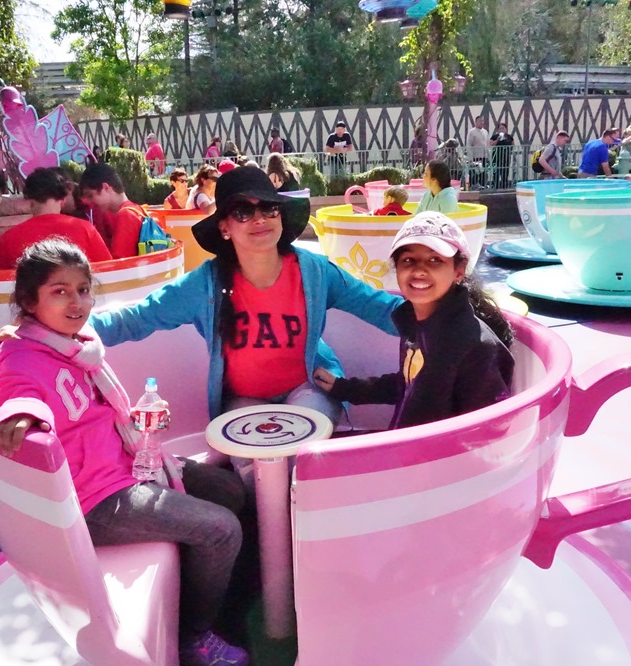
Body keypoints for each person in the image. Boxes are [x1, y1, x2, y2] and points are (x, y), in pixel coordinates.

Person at [0, 238, 250, 666]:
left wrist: (140, 421)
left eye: (83, 289)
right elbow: (18, 394)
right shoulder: (20, 358)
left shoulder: (77, 344)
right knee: (221, 529)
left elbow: (97, 413)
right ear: (29, 302)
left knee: (229, 489)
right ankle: (194, 635)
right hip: (95, 499)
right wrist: (21, 415)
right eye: (59, 291)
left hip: (126, 463)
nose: (77, 302)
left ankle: (202, 583)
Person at [86, 167, 401, 483]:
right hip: (244, 400)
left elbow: (379, 307)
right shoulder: (205, 284)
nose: (259, 219)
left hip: (307, 388)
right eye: (243, 212)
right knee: (254, 477)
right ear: (224, 226)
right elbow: (137, 318)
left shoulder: (314, 271)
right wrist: (67, 330)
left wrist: (431, 321)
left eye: (269, 208)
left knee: (299, 462)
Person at [313, 212, 513, 429]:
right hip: (408, 445)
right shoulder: (415, 323)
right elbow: (409, 385)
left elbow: (488, 426)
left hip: (437, 451)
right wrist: (345, 388)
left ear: (459, 271)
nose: (419, 270)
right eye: (408, 260)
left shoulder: (475, 345)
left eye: (435, 260)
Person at [0, 167, 111, 269]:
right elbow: (109, 270)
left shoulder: (6, 241)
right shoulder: (87, 230)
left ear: (29, 201)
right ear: (63, 200)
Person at [78, 162, 148, 259]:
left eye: (90, 195)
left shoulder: (125, 215)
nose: (88, 202)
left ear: (105, 187)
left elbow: (119, 263)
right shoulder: (137, 210)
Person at [489, 123, 514, 189]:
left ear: (506, 129)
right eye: (500, 128)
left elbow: (513, 145)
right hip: (496, 158)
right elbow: (491, 145)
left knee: (505, 173)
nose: (502, 130)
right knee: (496, 173)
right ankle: (496, 186)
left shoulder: (509, 137)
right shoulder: (494, 137)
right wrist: (497, 140)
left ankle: (504, 186)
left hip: (506, 158)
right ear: (498, 130)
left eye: (503, 128)